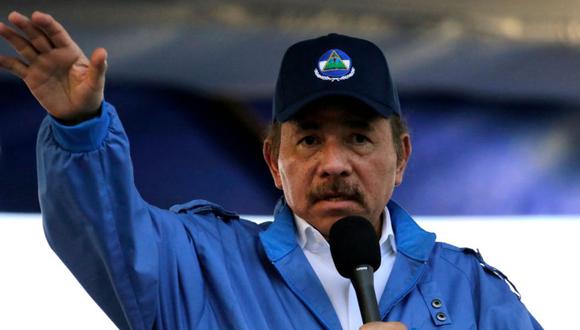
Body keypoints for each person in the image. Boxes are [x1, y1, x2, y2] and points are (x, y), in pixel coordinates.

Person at [0, 11, 542, 330]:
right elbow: (106, 234)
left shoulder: (474, 295)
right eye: (308, 139)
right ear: (273, 163)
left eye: (358, 137)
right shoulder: (201, 266)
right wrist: (80, 127)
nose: (333, 164)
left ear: (401, 157)